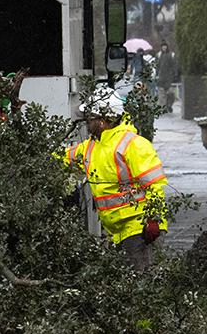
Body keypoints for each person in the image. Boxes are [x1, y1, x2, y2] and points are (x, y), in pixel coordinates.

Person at [64, 85, 168, 271]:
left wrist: (155, 220)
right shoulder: (91, 147)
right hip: (116, 232)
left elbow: (155, 185)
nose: (87, 122)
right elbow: (63, 158)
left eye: (91, 118)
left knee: (142, 283)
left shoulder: (133, 145)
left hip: (140, 230)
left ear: (103, 120)